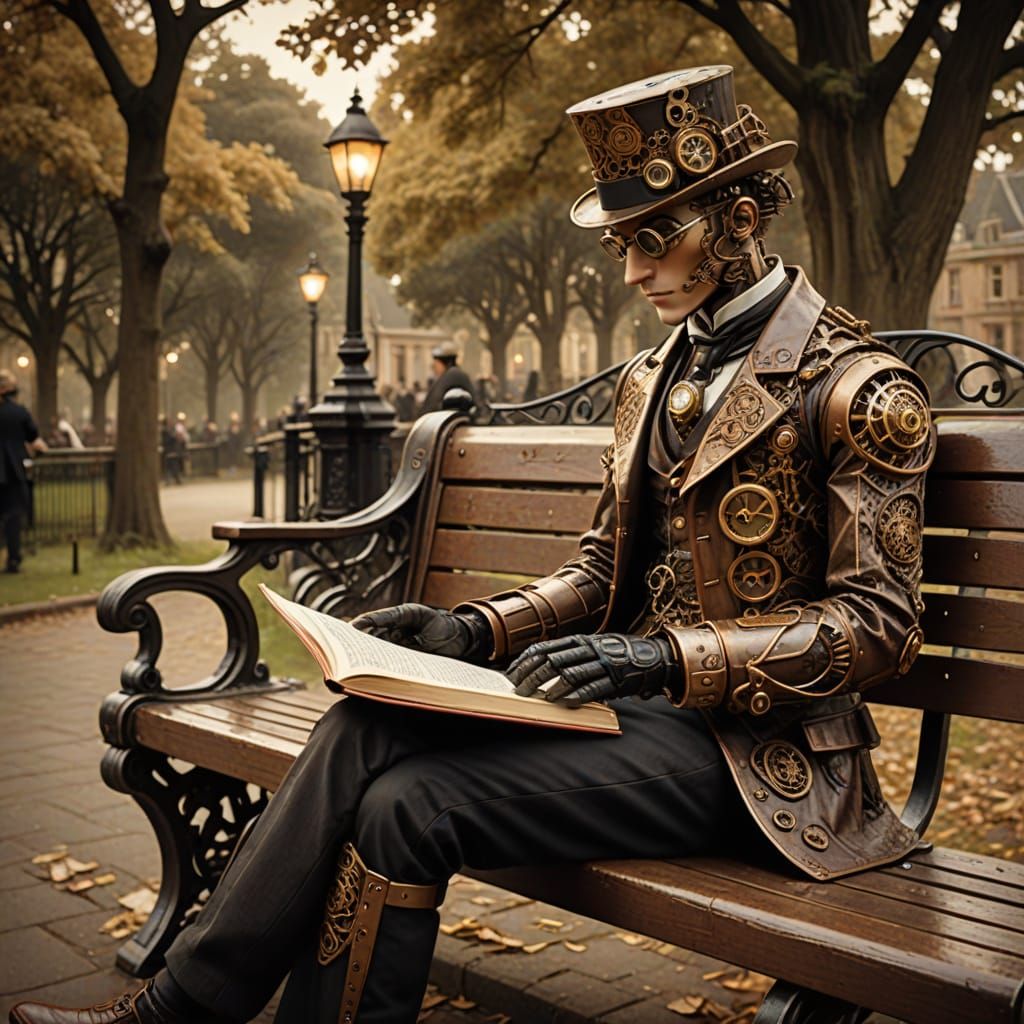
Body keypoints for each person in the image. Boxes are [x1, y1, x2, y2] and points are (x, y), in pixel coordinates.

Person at [10, 66, 934, 1024]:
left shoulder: (861, 390)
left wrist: (657, 654)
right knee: (376, 755)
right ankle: (178, 1012)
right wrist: (476, 632)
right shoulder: (653, 374)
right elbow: (597, 567)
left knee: (405, 807)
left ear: (741, 219)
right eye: (623, 243)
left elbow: (880, 626)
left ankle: (175, 1015)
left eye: (655, 238)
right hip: (633, 719)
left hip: (770, 767)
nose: (631, 270)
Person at [0, 370, 46, 574]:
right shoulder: (19, 413)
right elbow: (35, 440)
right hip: (13, 472)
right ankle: (13, 560)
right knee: (13, 517)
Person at [417, 340, 474, 414]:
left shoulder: (453, 375)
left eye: (437, 363)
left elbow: (434, 403)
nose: (434, 367)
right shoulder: (450, 375)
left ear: (448, 362)